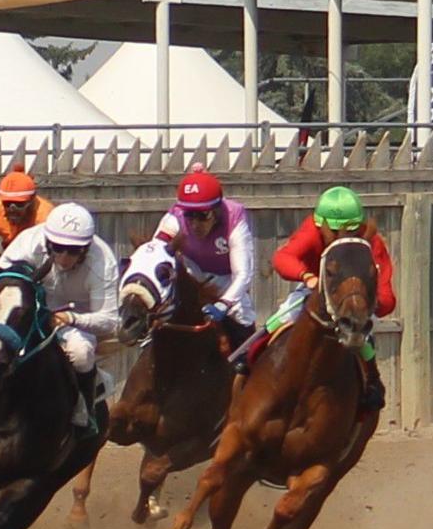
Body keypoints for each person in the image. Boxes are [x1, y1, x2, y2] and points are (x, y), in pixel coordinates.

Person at [267, 186, 396, 411]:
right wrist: (307, 277)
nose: (340, 238)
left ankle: (373, 382)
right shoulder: (312, 230)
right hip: (315, 290)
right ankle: (247, 367)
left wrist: (373, 302)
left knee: (363, 336)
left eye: (350, 231)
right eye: (333, 232)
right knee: (275, 322)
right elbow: (282, 258)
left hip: (354, 300)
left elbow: (386, 295)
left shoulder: (371, 241)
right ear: (322, 226)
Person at [0, 202, 118, 427]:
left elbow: (110, 321)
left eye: (73, 250)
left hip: (74, 320)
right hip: (28, 309)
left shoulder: (103, 262)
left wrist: (73, 319)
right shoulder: (26, 243)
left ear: (86, 247)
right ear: (47, 240)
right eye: (57, 247)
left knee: (81, 353)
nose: (63, 256)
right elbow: (0, 286)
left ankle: (84, 406)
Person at [153, 164, 256, 353]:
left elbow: (243, 274)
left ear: (217, 211)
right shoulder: (175, 217)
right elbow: (155, 253)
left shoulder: (234, 218)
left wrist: (224, 304)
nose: (194, 224)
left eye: (202, 215)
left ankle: (247, 363)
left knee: (243, 315)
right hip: (191, 271)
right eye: (189, 215)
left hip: (225, 279)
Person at [0, 163, 55, 267]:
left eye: (19, 204)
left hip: (37, 263)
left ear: (32, 200)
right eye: (7, 203)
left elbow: (54, 257)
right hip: (8, 259)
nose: (12, 209)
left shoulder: (46, 217)